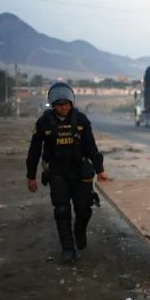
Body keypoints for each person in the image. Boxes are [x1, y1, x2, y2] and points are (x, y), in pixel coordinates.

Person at [26, 82, 108, 265]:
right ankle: (68, 249)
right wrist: (30, 176)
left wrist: (100, 170)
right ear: (53, 105)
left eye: (66, 104)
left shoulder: (81, 120)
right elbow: (34, 151)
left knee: (84, 209)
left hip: (80, 171)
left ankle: (79, 231)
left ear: (71, 103)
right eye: (59, 104)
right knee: (62, 210)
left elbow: (91, 147)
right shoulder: (43, 123)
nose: (63, 108)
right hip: (57, 172)